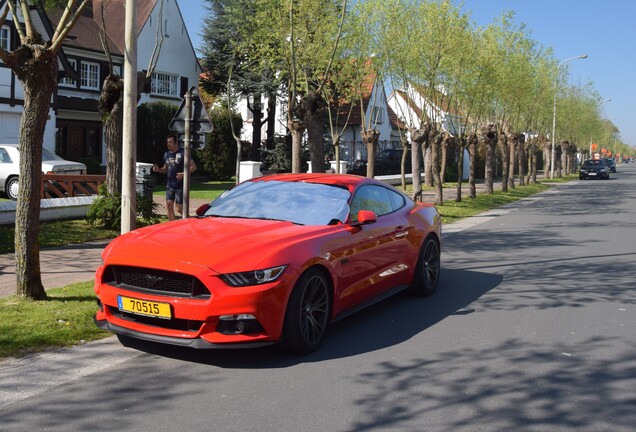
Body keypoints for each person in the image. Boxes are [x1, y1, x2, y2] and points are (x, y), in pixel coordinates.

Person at [152, 133, 196, 220]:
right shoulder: (166, 155)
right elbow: (166, 169)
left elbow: (193, 167)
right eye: (167, 142)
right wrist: (158, 170)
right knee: (169, 206)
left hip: (180, 185)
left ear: (176, 143)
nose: (168, 144)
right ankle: (172, 226)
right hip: (170, 185)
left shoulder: (183, 153)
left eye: (170, 142)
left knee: (179, 209)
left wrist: (183, 174)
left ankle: (192, 221)